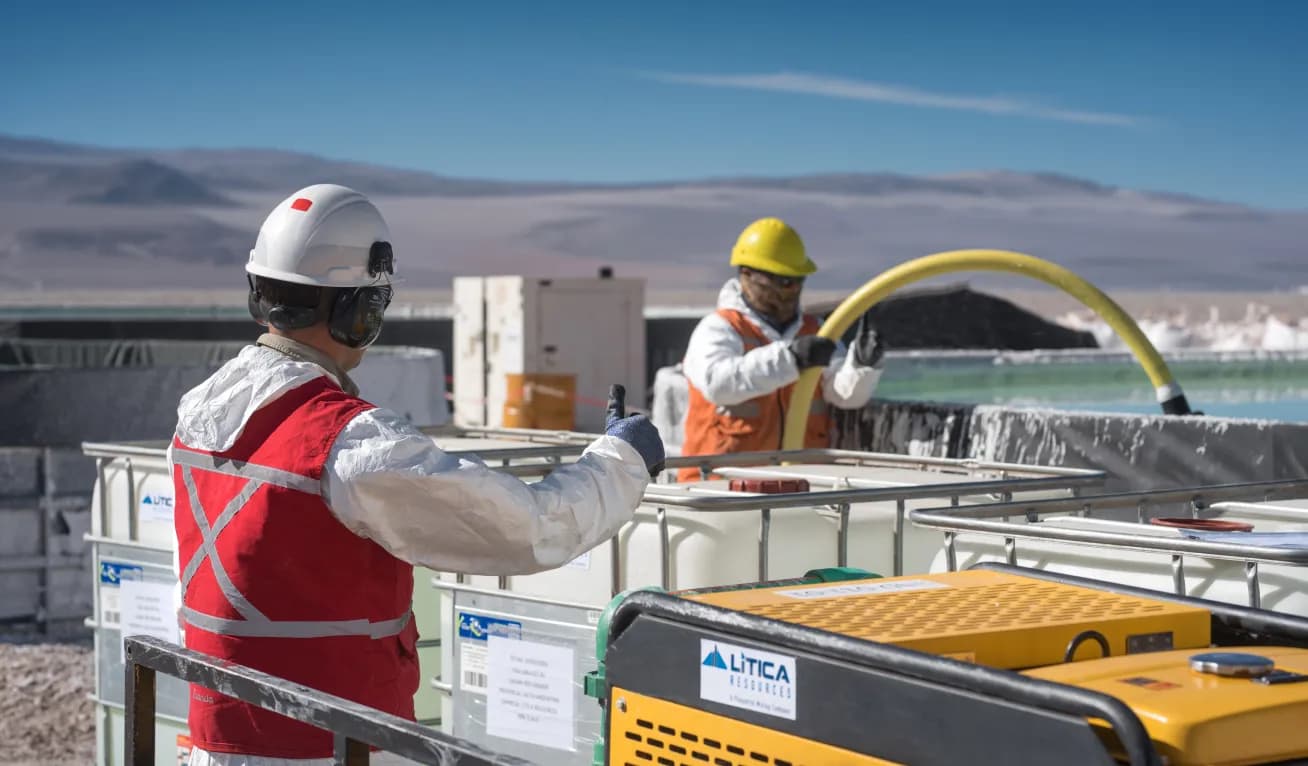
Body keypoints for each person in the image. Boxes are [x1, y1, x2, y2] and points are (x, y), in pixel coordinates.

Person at [168, 183, 664, 764]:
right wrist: (621, 460)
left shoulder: (198, 415)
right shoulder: (350, 446)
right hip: (330, 746)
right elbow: (531, 529)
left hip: (217, 740)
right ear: (356, 313)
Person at [678, 217, 883, 481]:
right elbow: (719, 384)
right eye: (783, 281)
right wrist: (791, 358)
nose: (792, 290)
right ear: (747, 274)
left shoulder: (814, 330)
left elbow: (843, 394)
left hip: (794, 485)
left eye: (797, 281)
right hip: (721, 487)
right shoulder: (719, 328)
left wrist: (862, 365)